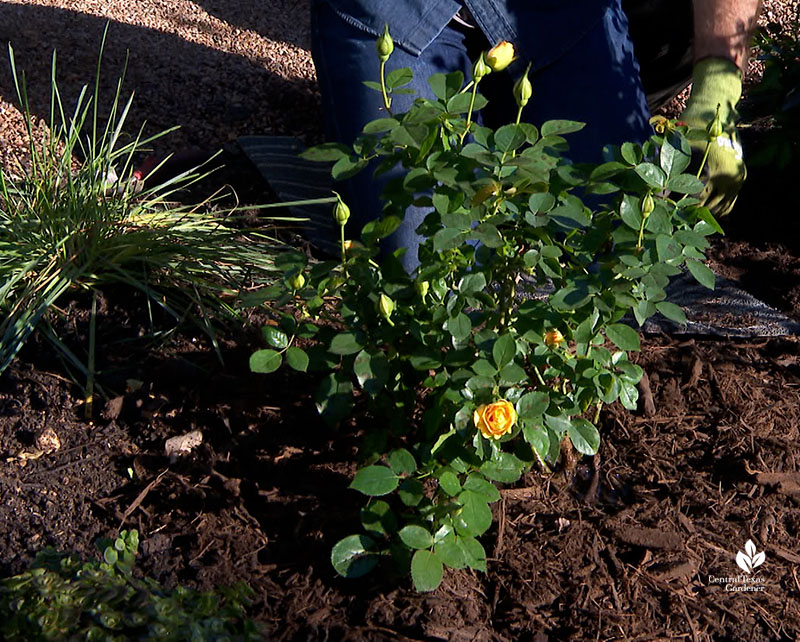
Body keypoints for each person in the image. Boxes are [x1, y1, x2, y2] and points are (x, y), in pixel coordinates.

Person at [310, 0, 761, 271]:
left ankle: (506, 142)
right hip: (402, 16)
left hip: (560, 16)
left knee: (618, 257)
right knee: (430, 276)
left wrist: (717, 93)